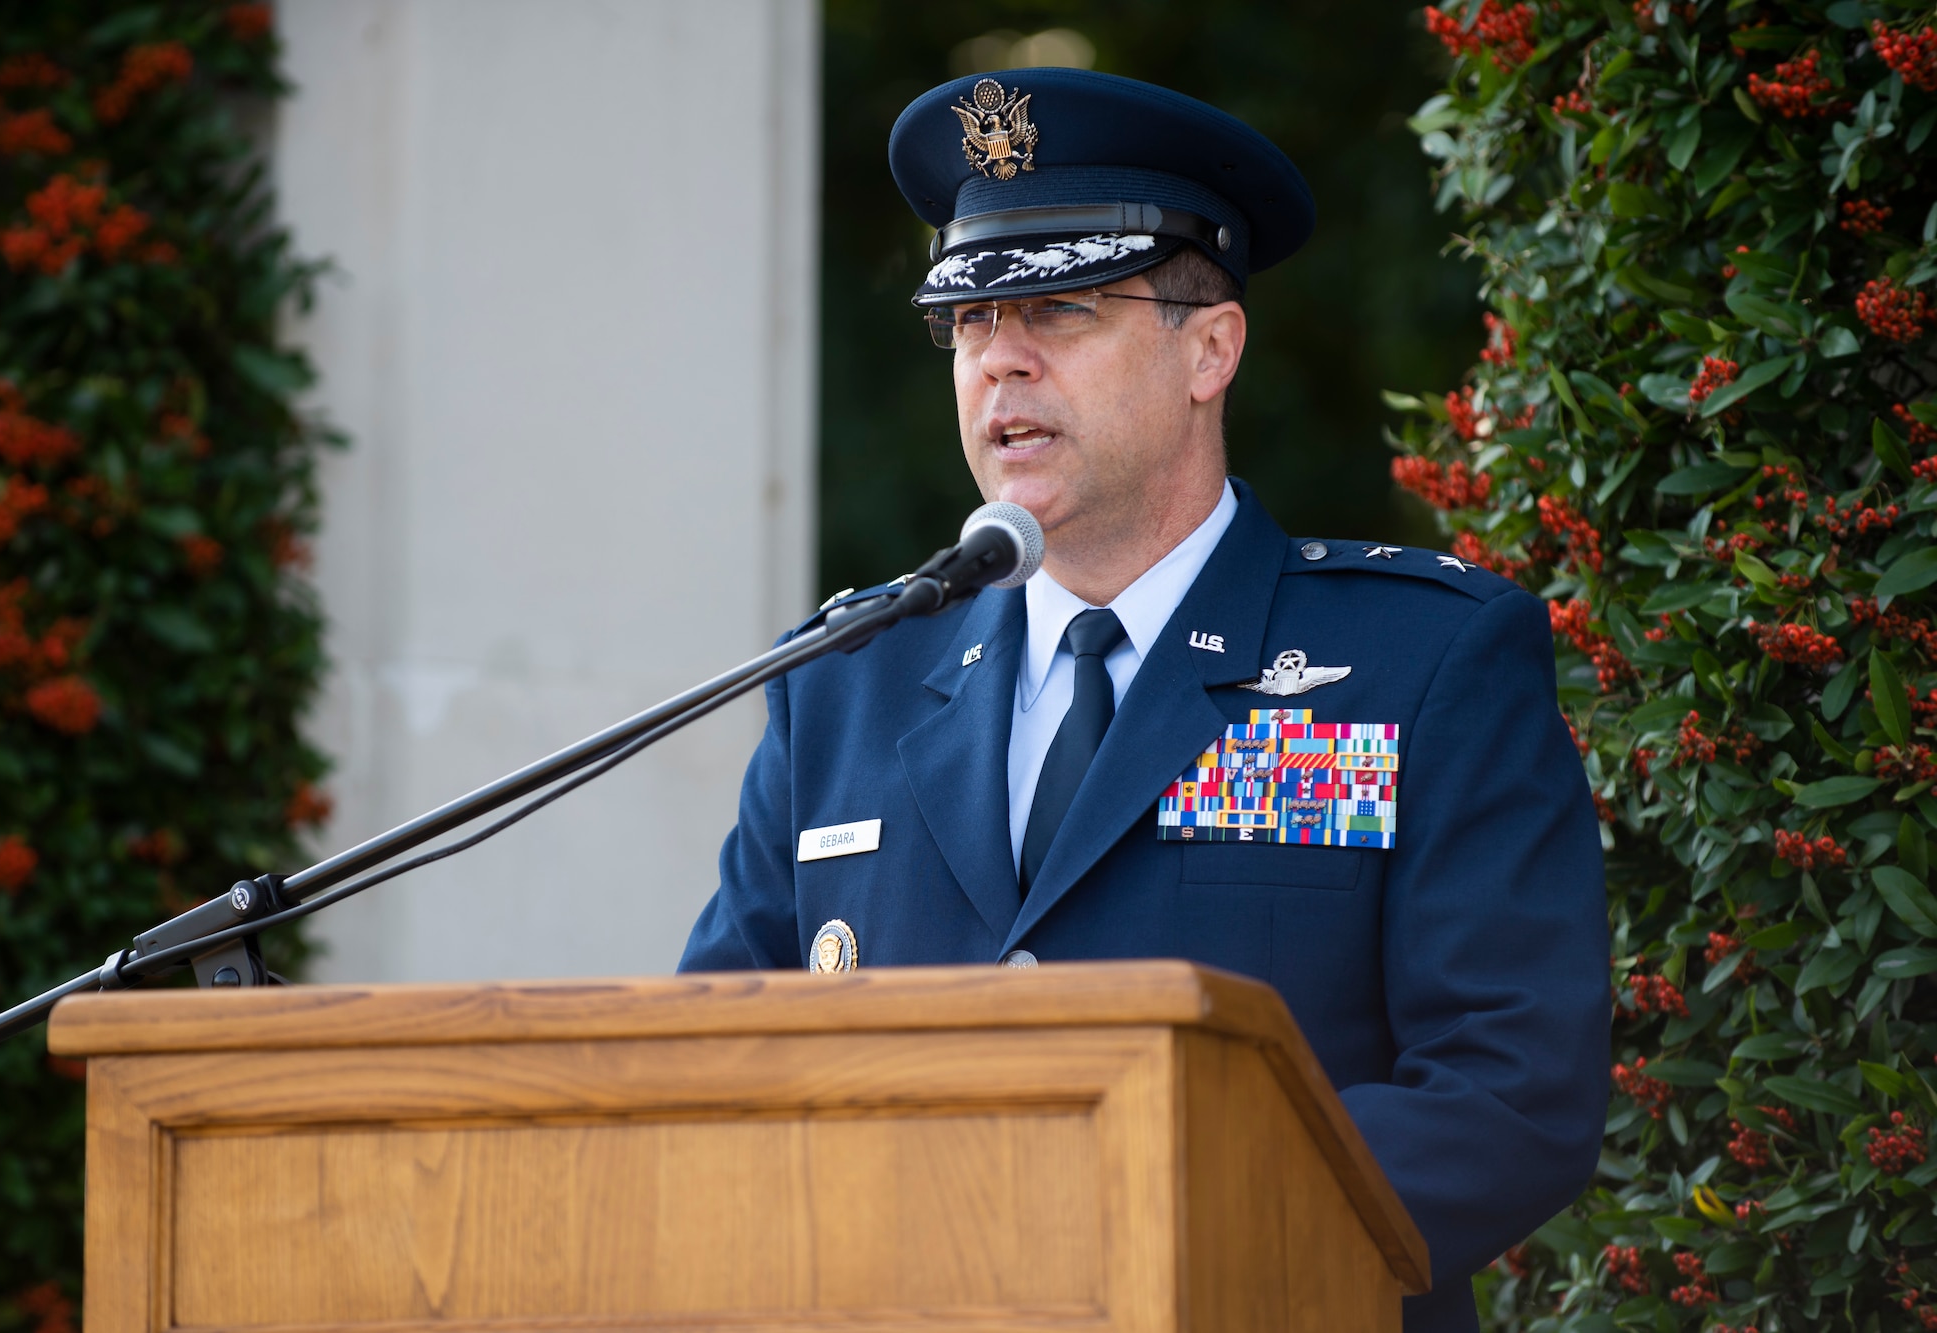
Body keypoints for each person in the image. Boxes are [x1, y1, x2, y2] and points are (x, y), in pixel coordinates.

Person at [681, 67, 1608, 1333]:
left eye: (1058, 308)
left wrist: (1112, 1213)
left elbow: (1508, 1089)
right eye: (966, 322)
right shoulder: (844, 684)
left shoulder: (1419, 662)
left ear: (1208, 349)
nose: (998, 360)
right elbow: (710, 1072)